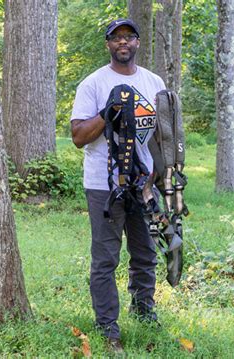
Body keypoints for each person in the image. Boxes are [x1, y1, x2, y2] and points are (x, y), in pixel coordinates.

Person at [70, 19, 166, 353]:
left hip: (144, 184)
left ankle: (144, 311)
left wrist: (159, 177)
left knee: (145, 254)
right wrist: (107, 112)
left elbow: (162, 136)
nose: (122, 43)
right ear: (108, 45)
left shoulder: (153, 82)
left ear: (138, 43)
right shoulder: (93, 83)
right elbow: (79, 137)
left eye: (128, 37)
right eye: (115, 38)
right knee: (106, 258)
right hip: (103, 185)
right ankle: (108, 327)